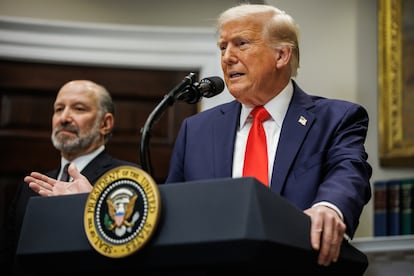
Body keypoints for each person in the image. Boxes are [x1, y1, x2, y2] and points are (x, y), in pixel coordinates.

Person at [165, 3, 372, 267]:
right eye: (222, 47)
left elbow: (349, 171)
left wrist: (329, 207)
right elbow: (174, 210)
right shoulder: (195, 131)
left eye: (241, 44)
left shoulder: (336, 119)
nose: (227, 57)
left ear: (282, 55)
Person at [4, 80, 139, 275]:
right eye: (59, 109)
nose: (64, 118)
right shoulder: (30, 187)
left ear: (105, 123)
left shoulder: (127, 179)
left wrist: (90, 205)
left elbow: (132, 257)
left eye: (79, 109)